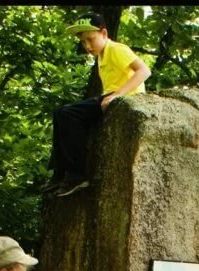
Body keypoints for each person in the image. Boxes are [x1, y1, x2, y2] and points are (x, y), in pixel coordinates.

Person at [44, 13, 151, 197]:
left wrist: (117, 96)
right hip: (110, 96)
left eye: (90, 40)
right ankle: (60, 173)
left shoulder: (116, 49)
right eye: (83, 42)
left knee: (67, 114)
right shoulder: (101, 57)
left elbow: (144, 71)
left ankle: (76, 175)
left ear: (104, 33)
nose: (87, 46)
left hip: (124, 98)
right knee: (60, 113)